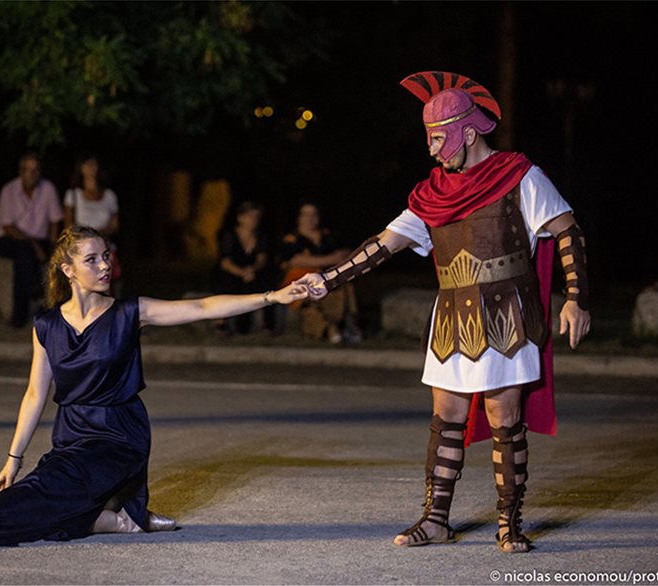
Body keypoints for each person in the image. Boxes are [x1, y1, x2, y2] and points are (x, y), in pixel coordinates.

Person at [295, 71, 591, 553]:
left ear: (467, 133)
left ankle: (508, 524)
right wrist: (325, 280)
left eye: (439, 138)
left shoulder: (519, 176)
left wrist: (575, 297)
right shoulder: (431, 194)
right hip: (453, 316)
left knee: (503, 417)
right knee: (446, 417)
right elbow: (381, 246)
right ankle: (435, 520)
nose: (433, 150)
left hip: (507, 314)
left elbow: (566, 230)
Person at [0, 225, 308, 551]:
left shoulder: (129, 313)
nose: (105, 265)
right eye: (92, 260)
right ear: (68, 270)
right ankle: (124, 521)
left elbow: (203, 307)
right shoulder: (47, 326)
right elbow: (35, 394)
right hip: (71, 435)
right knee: (51, 505)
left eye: (106, 256)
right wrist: (13, 459)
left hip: (120, 435)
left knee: (50, 487)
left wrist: (274, 296)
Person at [0, 152, 64, 328]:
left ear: (39, 172)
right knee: (23, 249)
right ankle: (37, 293)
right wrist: (33, 245)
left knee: (22, 260)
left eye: (34, 170)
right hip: (9, 238)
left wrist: (52, 246)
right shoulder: (9, 190)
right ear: (20, 171)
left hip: (36, 241)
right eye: (27, 170)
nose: (31, 175)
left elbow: (55, 220)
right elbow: (7, 226)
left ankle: (19, 317)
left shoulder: (47, 189)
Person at [279, 202, 362, 344]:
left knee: (347, 289)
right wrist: (329, 259)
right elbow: (295, 260)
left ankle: (349, 324)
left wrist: (329, 260)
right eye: (306, 215)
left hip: (329, 281)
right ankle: (329, 329)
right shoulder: (291, 239)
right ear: (299, 218)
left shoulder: (328, 236)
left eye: (314, 214)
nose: (310, 218)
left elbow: (344, 254)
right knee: (310, 306)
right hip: (302, 285)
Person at [211, 201, 277, 335]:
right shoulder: (229, 235)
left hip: (252, 273)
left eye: (256, 216)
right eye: (249, 216)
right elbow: (225, 261)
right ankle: (221, 321)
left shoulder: (261, 236)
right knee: (226, 284)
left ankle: (268, 324)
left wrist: (251, 270)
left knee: (266, 283)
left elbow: (262, 259)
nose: (253, 220)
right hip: (232, 272)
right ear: (240, 217)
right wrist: (242, 273)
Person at [63, 155, 122, 295]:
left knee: (106, 281)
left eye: (93, 164)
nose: (90, 168)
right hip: (81, 248)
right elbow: (68, 224)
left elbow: (115, 225)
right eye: (87, 164)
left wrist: (99, 237)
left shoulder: (109, 196)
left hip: (105, 246)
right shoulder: (73, 195)